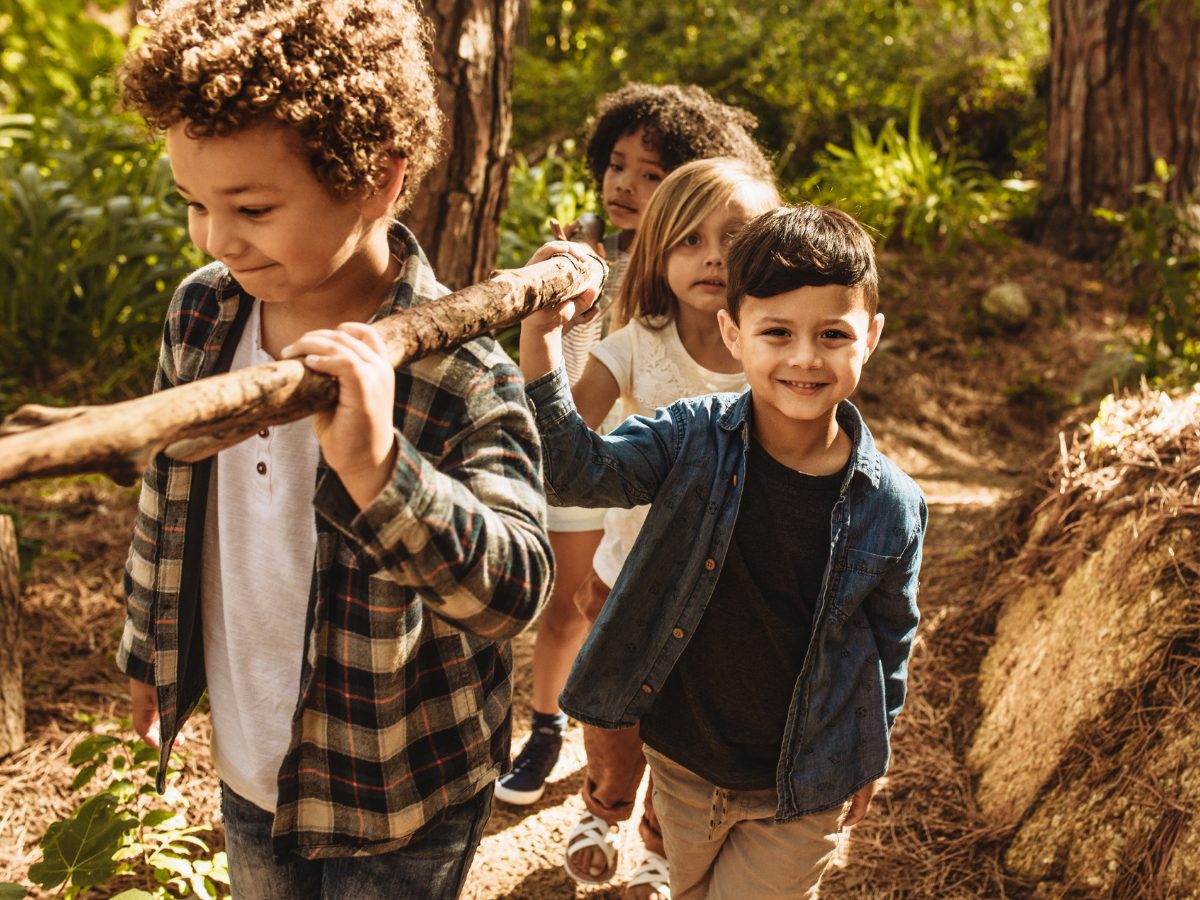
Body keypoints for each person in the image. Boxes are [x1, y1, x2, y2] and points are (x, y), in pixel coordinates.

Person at [115, 2, 554, 897]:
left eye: (253, 207)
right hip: (252, 760)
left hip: (400, 788)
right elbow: (166, 493)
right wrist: (149, 654)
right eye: (194, 203)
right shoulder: (203, 313)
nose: (217, 238)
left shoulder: (461, 371)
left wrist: (380, 469)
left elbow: (515, 592)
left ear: (380, 182)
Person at [521, 204, 927, 899]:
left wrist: (870, 754)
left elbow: (890, 637)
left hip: (801, 783)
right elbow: (575, 471)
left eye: (832, 333)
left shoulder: (891, 504)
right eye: (777, 332)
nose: (804, 357)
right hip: (683, 763)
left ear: (871, 337)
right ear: (734, 333)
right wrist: (541, 337)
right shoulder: (689, 440)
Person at [498, 82, 773, 818]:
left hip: (711, 558)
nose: (626, 183)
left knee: (684, 704)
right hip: (612, 487)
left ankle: (658, 831)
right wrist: (551, 319)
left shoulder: (770, 338)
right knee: (578, 615)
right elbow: (573, 419)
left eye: (652, 173)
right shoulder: (585, 249)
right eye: (618, 164)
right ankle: (560, 739)